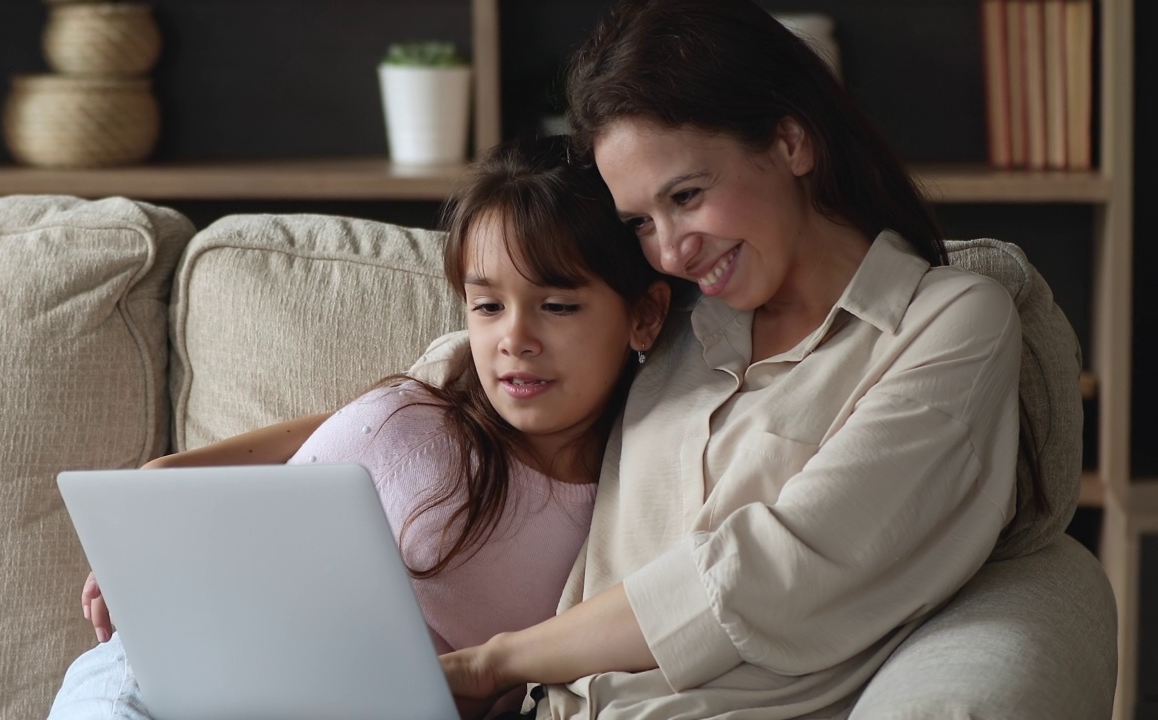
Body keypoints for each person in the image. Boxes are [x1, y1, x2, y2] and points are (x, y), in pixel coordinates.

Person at [412, 1, 1027, 718]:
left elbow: (772, 570)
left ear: (791, 141)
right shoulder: (674, 314)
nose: (671, 250)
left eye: (688, 196)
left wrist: (494, 662)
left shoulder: (947, 325)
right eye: (640, 222)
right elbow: (489, 355)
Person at [46, 134, 672, 720]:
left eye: (557, 306)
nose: (515, 339)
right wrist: (142, 549)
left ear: (643, 318)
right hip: (195, 662)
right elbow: (200, 507)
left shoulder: (635, 501)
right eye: (487, 306)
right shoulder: (408, 426)